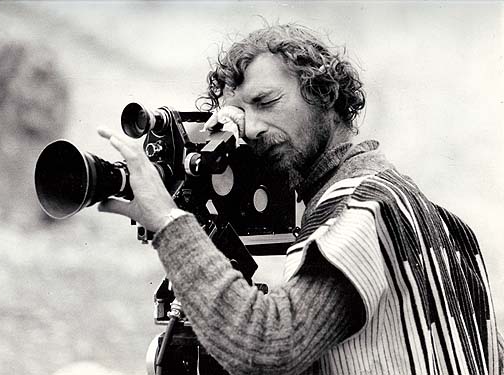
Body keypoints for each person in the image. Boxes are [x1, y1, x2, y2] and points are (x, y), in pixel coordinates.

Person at [97, 24, 500, 374]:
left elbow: (268, 347)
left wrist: (169, 221)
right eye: (237, 116)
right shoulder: (440, 220)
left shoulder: (360, 211)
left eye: (266, 102)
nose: (251, 129)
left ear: (324, 94)